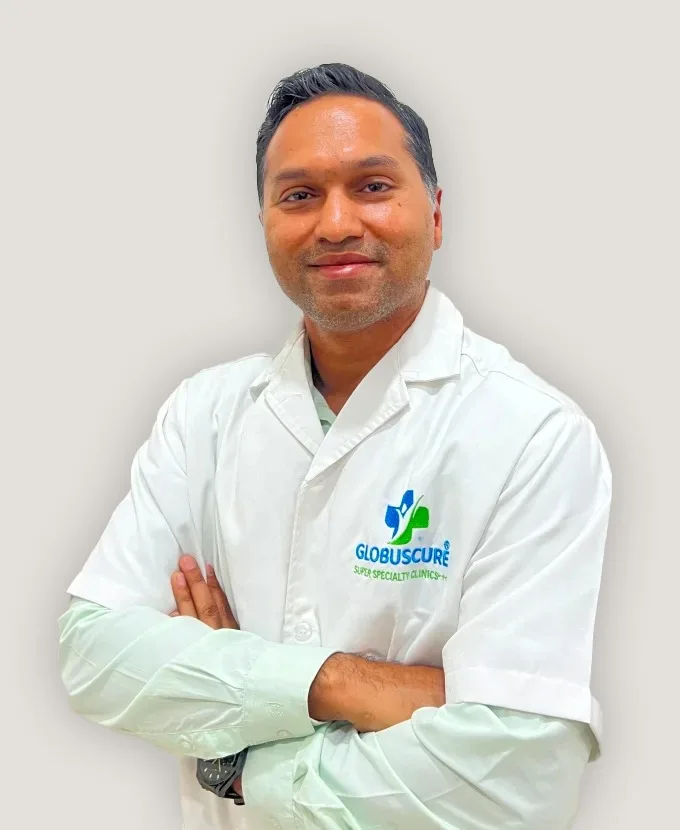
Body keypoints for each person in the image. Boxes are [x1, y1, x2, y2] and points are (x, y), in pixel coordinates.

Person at [58, 62, 612, 830]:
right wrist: (341, 684)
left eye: (373, 186)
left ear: (437, 214)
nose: (337, 223)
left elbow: (516, 783)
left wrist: (236, 757)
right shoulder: (203, 416)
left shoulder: (533, 436)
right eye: (299, 196)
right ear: (263, 221)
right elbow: (94, 656)